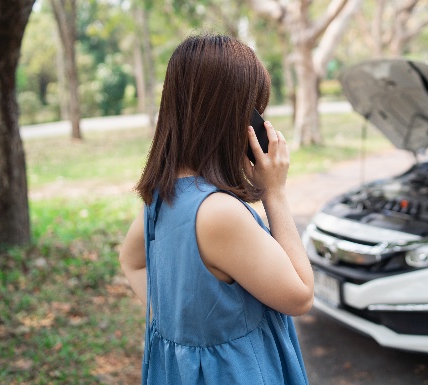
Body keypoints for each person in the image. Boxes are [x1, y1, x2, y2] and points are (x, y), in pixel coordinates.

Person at [119, 34, 313, 385]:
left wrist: (178, 322)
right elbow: (300, 296)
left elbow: (131, 261)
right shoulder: (218, 213)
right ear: (233, 117)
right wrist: (275, 192)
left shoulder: (163, 197)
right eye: (255, 109)